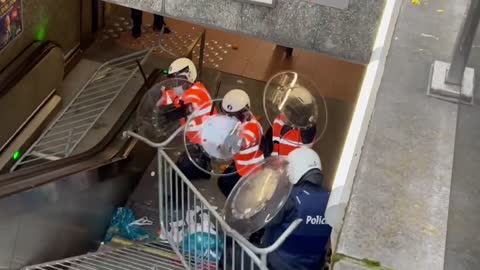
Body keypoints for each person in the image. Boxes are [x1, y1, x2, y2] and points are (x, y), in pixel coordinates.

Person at [262, 147, 331, 269]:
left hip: (279, 263)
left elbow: (266, 221)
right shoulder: (330, 198)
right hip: (312, 266)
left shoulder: (290, 197)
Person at [156, 58, 216, 180]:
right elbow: (173, 93)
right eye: (174, 80)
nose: (176, 84)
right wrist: (160, 99)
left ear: (188, 76)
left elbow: (185, 109)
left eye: (178, 80)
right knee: (190, 163)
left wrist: (166, 116)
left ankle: (201, 171)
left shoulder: (195, 95)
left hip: (204, 140)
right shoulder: (190, 86)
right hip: (197, 137)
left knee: (182, 171)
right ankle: (202, 170)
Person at [217, 89, 264, 197]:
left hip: (251, 170)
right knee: (224, 180)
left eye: (232, 115)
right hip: (241, 163)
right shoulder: (240, 122)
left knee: (224, 183)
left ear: (245, 113)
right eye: (227, 114)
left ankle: (239, 202)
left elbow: (241, 143)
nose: (229, 118)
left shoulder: (252, 127)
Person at [265, 86, 317, 157]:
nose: (283, 111)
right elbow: (269, 143)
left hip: (294, 165)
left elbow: (307, 139)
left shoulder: (307, 131)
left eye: (287, 108)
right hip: (275, 163)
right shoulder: (279, 121)